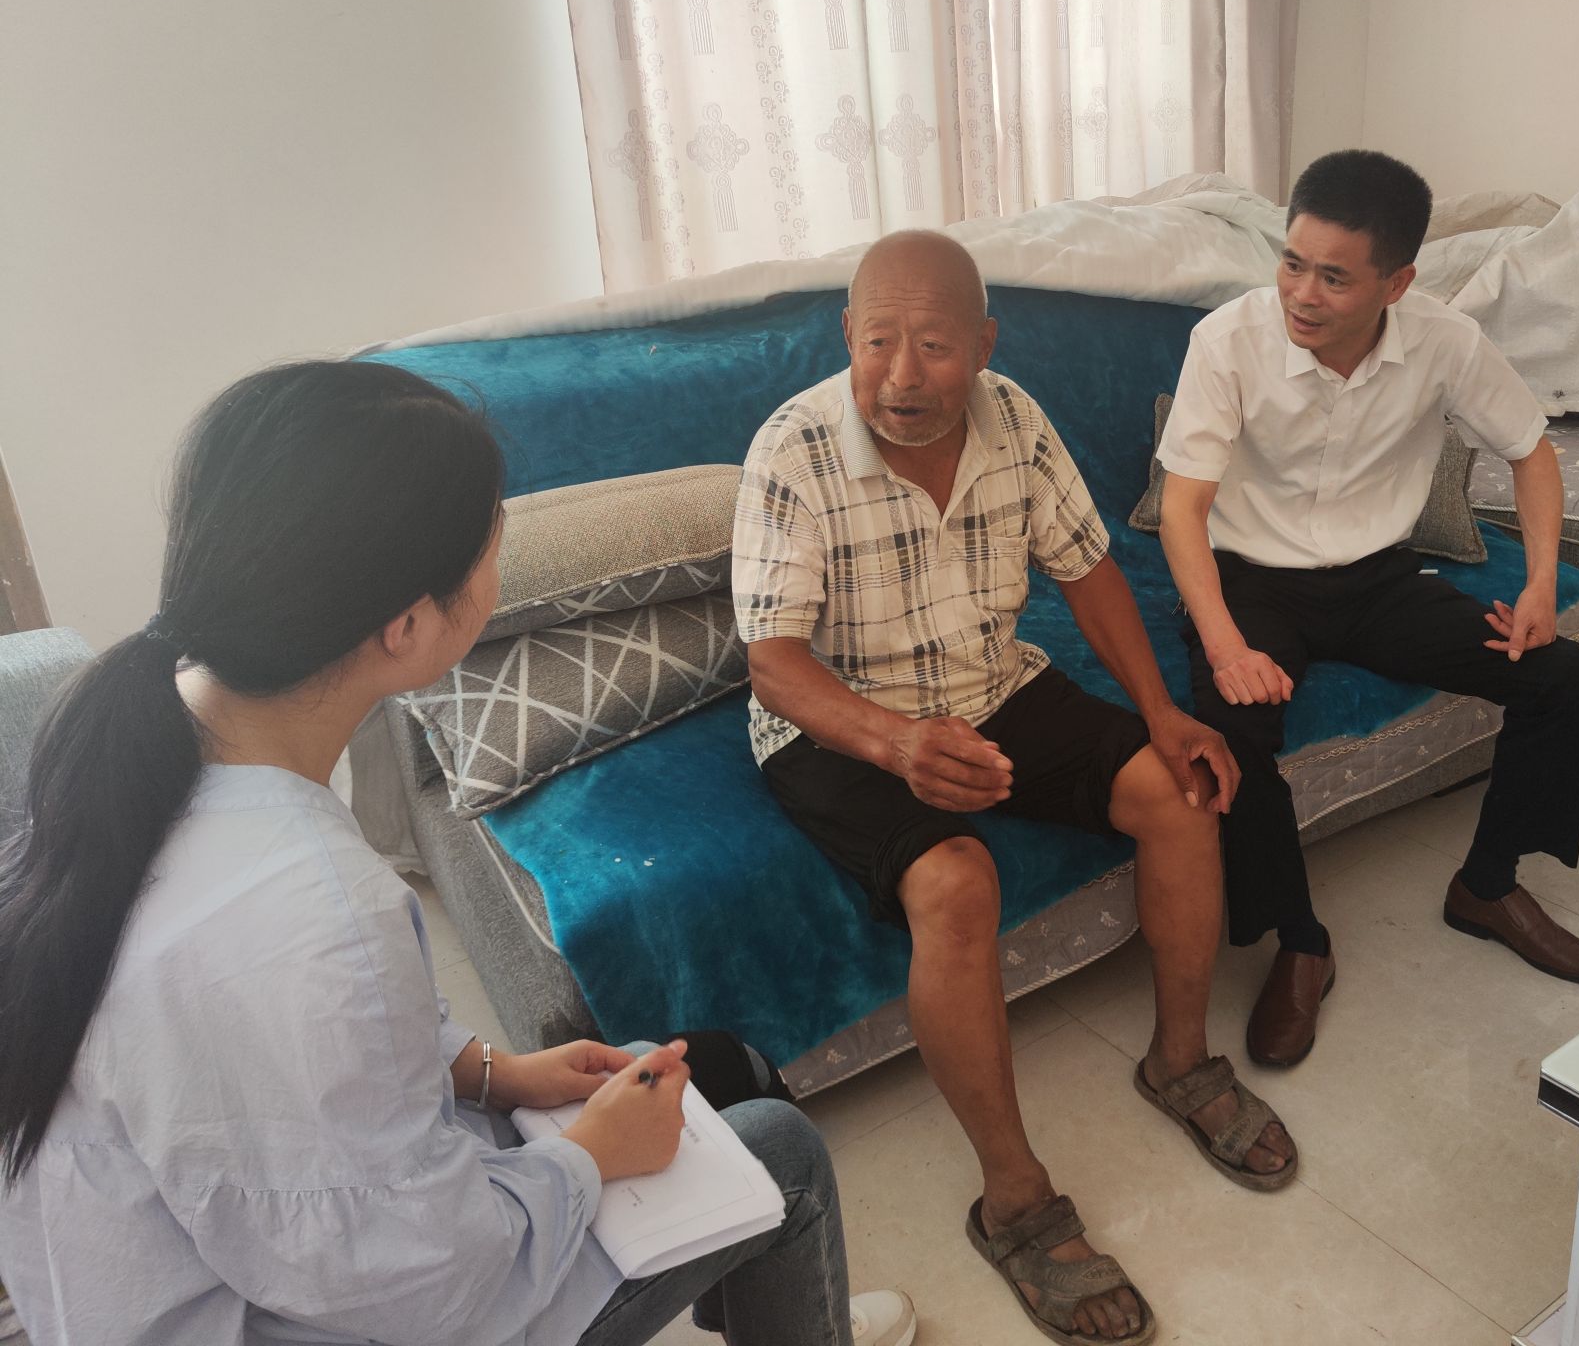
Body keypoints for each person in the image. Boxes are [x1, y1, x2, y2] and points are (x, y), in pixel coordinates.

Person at [0, 361, 911, 1346]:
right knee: (777, 1152)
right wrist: (588, 1159)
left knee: (690, 1069)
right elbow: (427, 1288)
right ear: (406, 626)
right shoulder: (317, 913)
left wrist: (491, 1074)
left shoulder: (129, 743)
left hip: (221, 1262)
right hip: (348, 1307)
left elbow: (293, 1073)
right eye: (491, 544)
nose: (496, 565)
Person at [733, 230, 1299, 1345]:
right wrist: (897, 745)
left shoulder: (1015, 420)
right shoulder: (791, 449)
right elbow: (774, 664)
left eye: (935, 346)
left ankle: (1180, 1061)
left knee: (1178, 787)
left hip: (990, 684)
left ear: (984, 344)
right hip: (840, 722)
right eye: (878, 342)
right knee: (955, 883)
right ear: (846, 336)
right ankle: (1014, 1199)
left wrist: (1161, 712)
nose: (902, 376)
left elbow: (1088, 572)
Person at [1156, 150, 1579, 1072]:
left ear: (1396, 283)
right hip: (1252, 581)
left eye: (1334, 277)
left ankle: (1487, 885)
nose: (1302, 293)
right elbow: (1182, 509)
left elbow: (1531, 450)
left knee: (1561, 675)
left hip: (1377, 580)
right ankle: (1300, 943)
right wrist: (1226, 645)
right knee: (1233, 729)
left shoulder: (1445, 340)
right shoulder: (1227, 340)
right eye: (1292, 263)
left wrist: (1539, 584)